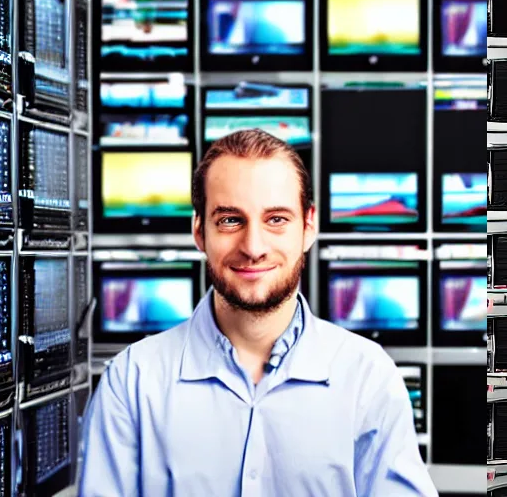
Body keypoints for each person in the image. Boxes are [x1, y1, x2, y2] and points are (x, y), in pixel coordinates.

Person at [78, 129, 437, 497]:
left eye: (276, 219)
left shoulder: (368, 377)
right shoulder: (132, 382)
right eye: (231, 220)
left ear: (308, 226)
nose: (253, 247)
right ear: (199, 230)